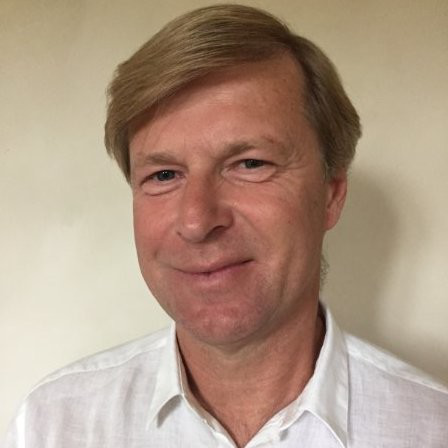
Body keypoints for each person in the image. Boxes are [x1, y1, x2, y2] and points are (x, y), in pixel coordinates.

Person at [3, 4, 447, 448]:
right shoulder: (53, 424)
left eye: (250, 164)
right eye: (164, 175)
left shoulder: (432, 429)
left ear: (331, 195)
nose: (197, 221)